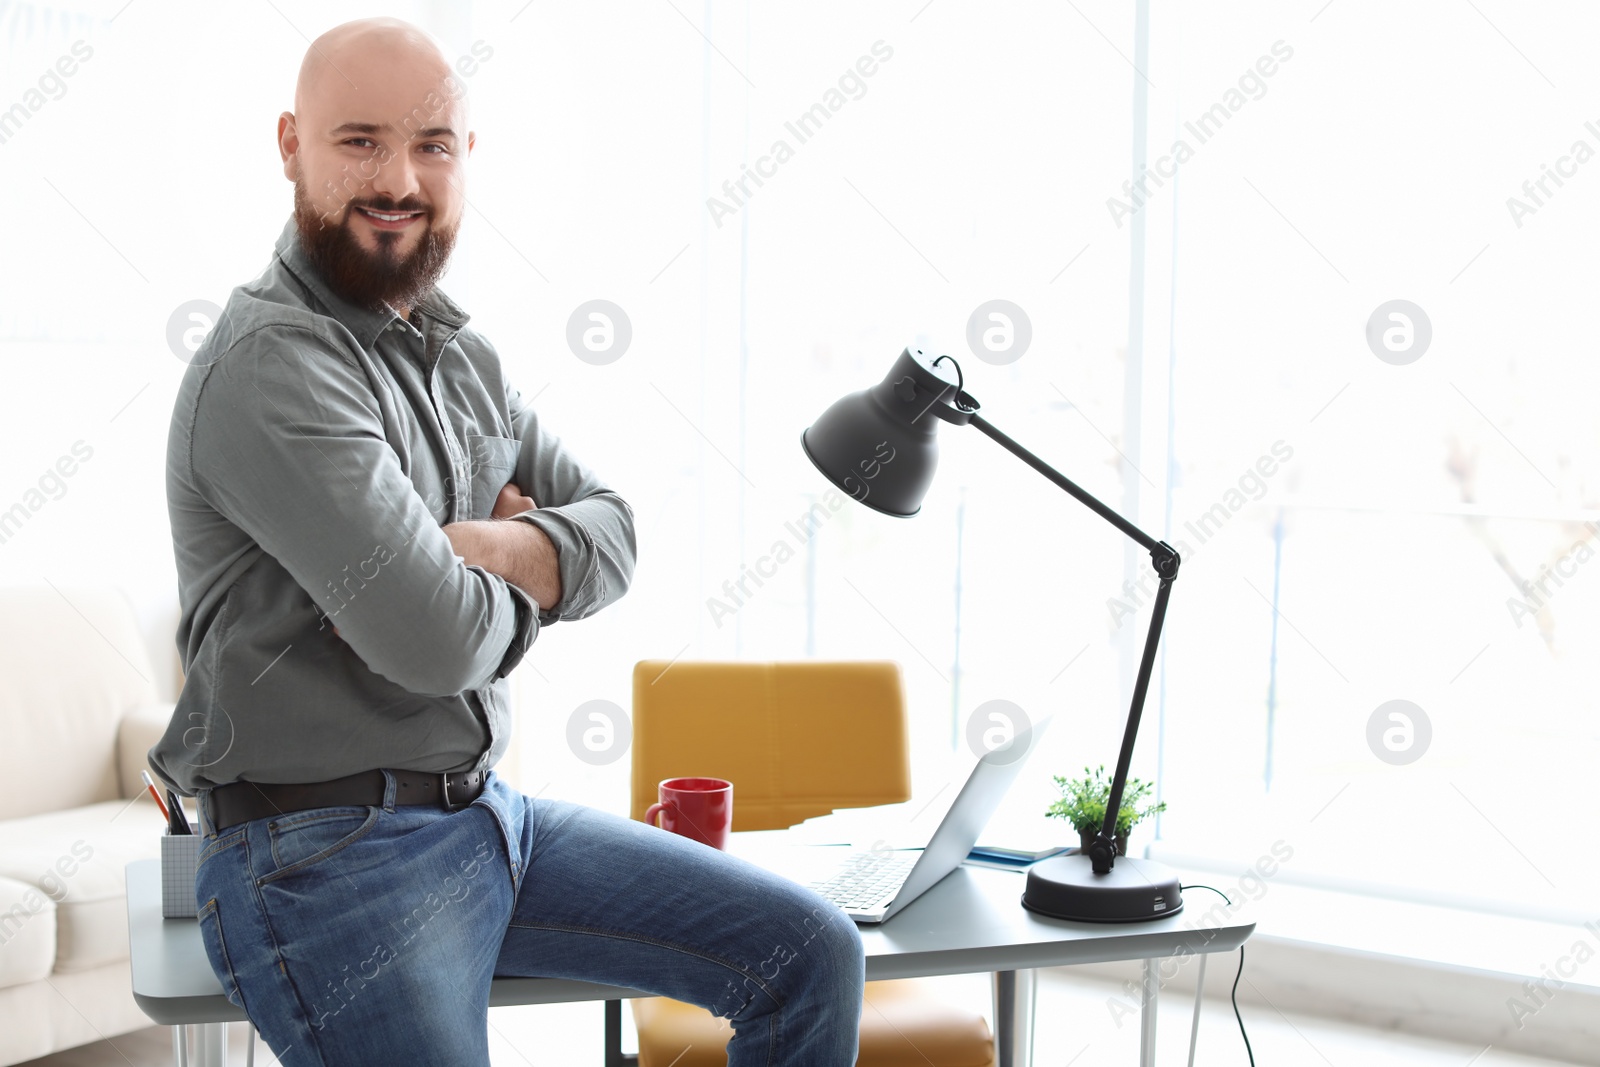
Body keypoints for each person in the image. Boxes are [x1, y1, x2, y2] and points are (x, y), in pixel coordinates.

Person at [149, 17, 864, 1065]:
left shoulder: (460, 351)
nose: (399, 178)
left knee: (810, 950)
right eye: (359, 142)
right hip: (324, 857)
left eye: (431, 144)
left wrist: (472, 549)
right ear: (290, 145)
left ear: (466, 159)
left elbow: (617, 528)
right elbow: (434, 642)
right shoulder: (271, 367)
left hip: (492, 817)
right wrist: (524, 556)